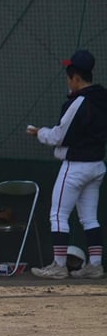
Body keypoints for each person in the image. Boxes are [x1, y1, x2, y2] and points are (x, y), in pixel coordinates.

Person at [27, 50, 107, 279]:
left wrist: (39, 132)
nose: (68, 81)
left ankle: (59, 266)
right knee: (90, 218)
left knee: (58, 215)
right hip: (96, 165)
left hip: (76, 166)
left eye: (69, 77)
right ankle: (95, 265)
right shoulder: (102, 98)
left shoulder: (79, 101)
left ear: (76, 78)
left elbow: (58, 136)